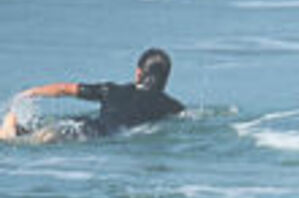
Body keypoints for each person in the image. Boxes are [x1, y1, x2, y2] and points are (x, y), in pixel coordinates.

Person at [1, 48, 183, 142]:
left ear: (138, 73)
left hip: (86, 125)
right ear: (166, 79)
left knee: (45, 134)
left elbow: (65, 89)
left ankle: (13, 124)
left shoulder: (110, 90)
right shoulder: (171, 106)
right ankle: (14, 131)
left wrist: (32, 92)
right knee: (45, 139)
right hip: (102, 136)